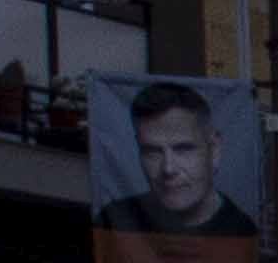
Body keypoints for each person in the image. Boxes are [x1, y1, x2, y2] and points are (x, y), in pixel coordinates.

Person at [100, 80, 257, 237]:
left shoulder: (242, 232)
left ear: (214, 149)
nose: (168, 168)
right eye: (152, 151)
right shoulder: (112, 220)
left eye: (183, 149)